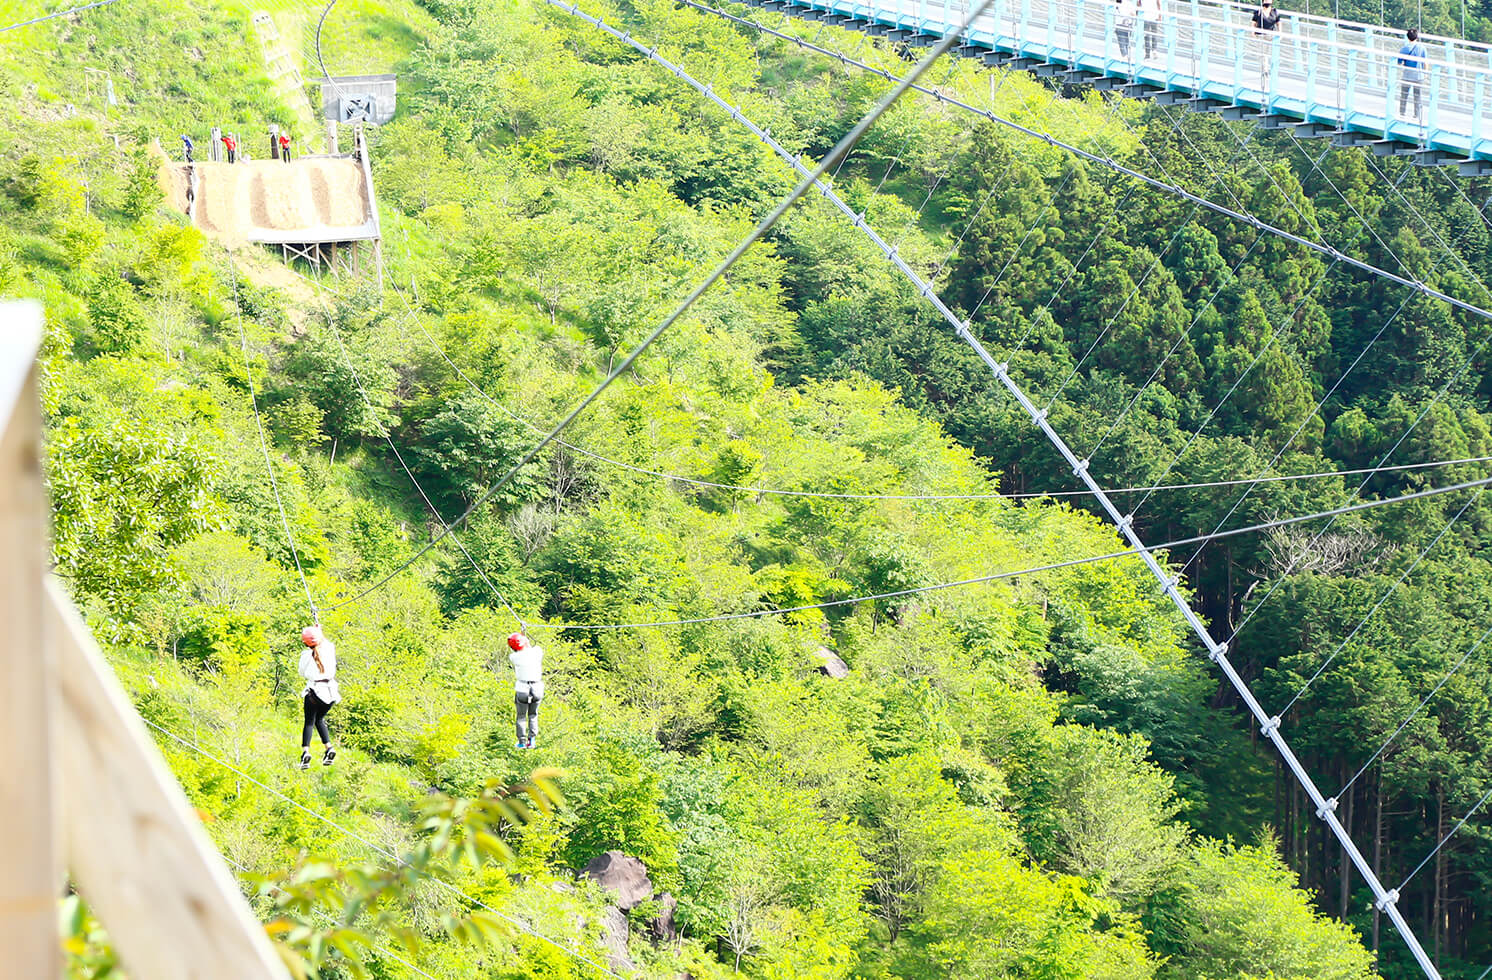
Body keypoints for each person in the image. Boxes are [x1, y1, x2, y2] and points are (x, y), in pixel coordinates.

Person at [298, 625, 339, 769]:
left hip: (314, 691)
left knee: (309, 722)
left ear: (306, 643)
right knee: (319, 720)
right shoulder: (329, 648)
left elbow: (302, 672)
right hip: (330, 693)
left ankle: (306, 753)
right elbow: (324, 641)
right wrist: (318, 629)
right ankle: (329, 748)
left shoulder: (306, 655)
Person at [508, 632, 544, 750]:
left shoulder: (514, 657)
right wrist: (524, 636)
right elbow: (531, 646)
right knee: (533, 715)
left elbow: (521, 649)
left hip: (522, 689)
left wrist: (521, 638)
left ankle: (522, 742)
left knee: (521, 716)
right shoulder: (537, 653)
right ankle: (532, 740)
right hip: (537, 688)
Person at [1398, 27, 1428, 122]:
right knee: (1417, 96)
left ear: (1407, 37)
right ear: (1417, 37)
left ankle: (1402, 113)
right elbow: (1425, 62)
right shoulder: (1422, 48)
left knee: (1404, 95)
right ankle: (1416, 115)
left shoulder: (1404, 48)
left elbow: (1399, 62)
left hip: (1407, 75)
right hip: (1419, 76)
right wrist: (1425, 73)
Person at [1251, 0, 1282, 91]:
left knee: (1269, 54)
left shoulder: (1275, 12)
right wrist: (1252, 33)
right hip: (1261, 35)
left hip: (1270, 36)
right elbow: (1253, 23)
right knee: (1262, 54)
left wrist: (1280, 33)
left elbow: (1278, 23)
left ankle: (1268, 70)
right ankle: (1265, 71)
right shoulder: (1258, 12)